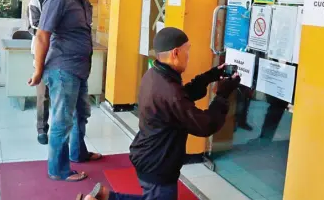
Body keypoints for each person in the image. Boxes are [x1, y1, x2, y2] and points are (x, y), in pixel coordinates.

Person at [80, 27, 241, 200]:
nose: (188, 56)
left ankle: (105, 197)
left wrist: (210, 76)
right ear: (176, 53)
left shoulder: (155, 74)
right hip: (158, 162)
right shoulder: (169, 90)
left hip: (148, 153)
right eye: (187, 51)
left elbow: (181, 97)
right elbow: (205, 125)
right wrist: (223, 95)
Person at [28, 0, 103, 182]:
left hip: (79, 69)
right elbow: (42, 35)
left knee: (82, 114)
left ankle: (78, 153)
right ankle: (58, 170)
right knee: (62, 120)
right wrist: (39, 70)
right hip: (63, 69)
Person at [27, 0, 67, 145]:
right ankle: (42, 130)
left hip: (63, 53)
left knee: (61, 93)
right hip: (43, 51)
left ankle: (60, 128)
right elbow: (35, 26)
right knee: (43, 94)